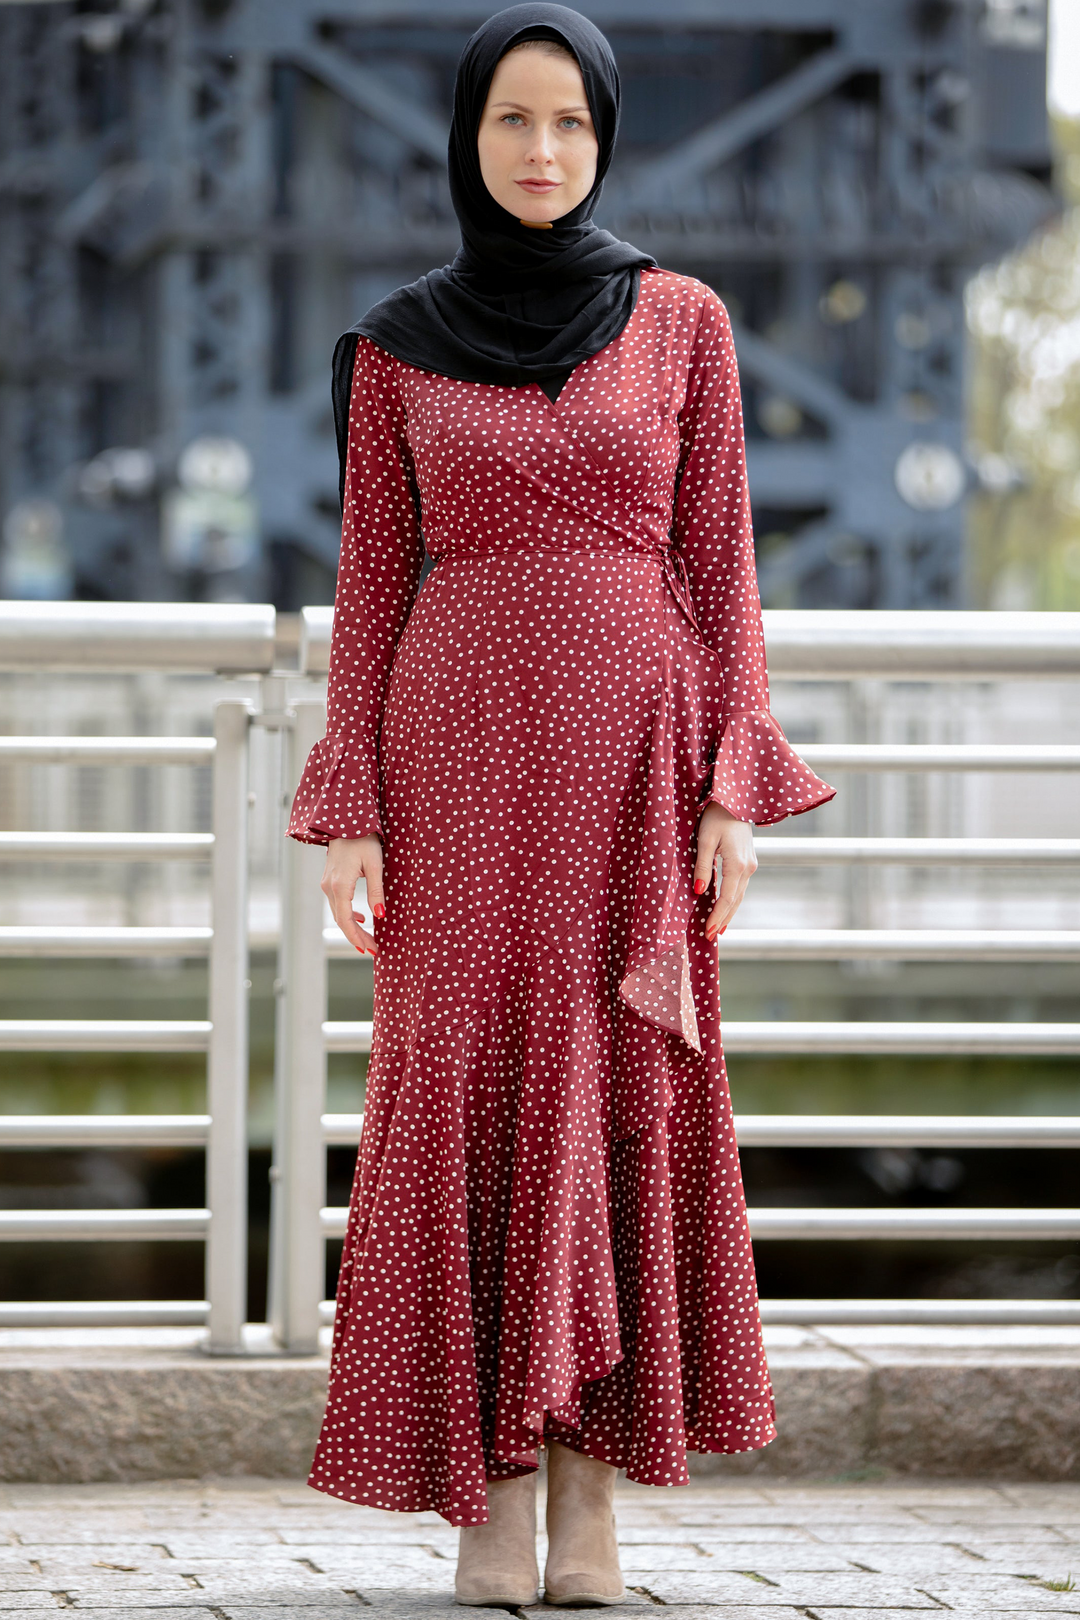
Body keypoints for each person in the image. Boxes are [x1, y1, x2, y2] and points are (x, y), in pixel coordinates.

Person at [287, 3, 836, 1607]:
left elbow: (721, 567)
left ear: (605, 138)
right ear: (469, 136)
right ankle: (487, 1500)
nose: (542, 153)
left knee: (619, 1084)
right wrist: (352, 803)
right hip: (451, 754)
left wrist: (735, 786)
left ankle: (591, 1498)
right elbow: (375, 584)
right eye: (513, 122)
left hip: (634, 755)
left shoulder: (685, 323)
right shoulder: (395, 343)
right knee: (455, 1081)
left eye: (572, 126)